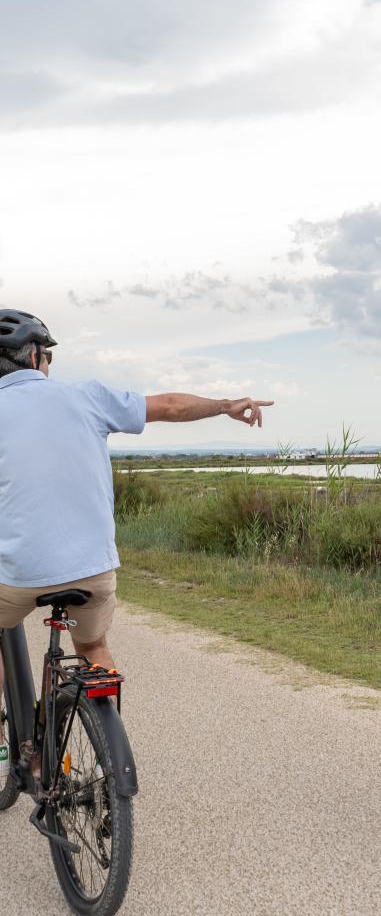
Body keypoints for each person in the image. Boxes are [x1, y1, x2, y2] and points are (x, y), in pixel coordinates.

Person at [0, 308, 273, 780]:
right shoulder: (86, 397)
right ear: (37, 357)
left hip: (18, 576)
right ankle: (107, 760)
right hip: (93, 571)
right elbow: (166, 406)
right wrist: (227, 404)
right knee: (93, 643)